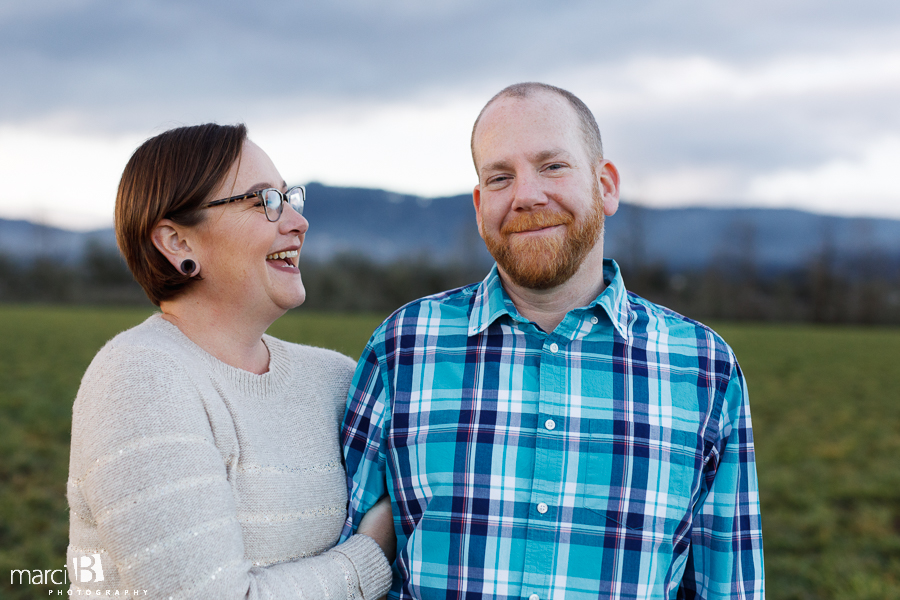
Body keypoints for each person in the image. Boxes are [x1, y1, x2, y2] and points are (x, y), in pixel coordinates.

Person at [341, 83, 764, 599]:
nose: (526, 195)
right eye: (500, 177)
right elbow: (345, 564)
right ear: (479, 207)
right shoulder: (402, 350)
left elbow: (730, 586)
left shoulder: (704, 369)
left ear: (604, 186)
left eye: (552, 166)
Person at [66, 123, 394, 599]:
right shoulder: (140, 379)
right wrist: (371, 553)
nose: (298, 223)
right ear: (178, 242)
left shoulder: (337, 379)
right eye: (264, 201)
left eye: (289, 198)